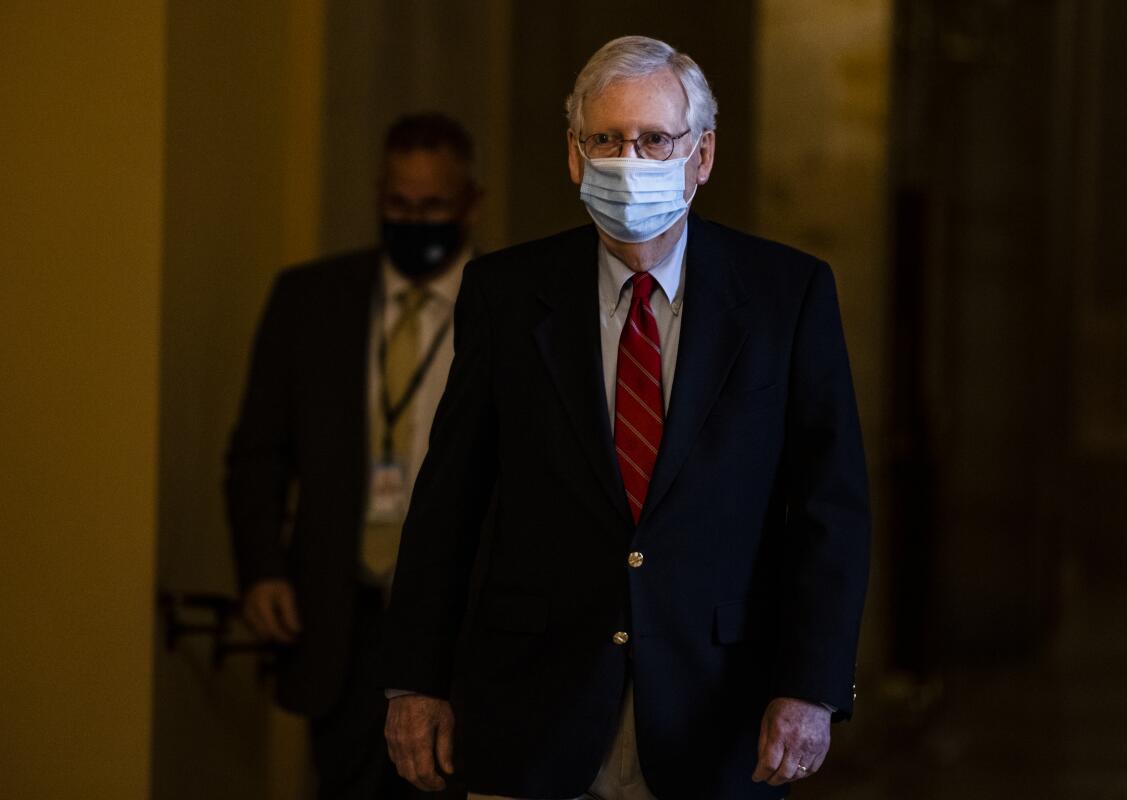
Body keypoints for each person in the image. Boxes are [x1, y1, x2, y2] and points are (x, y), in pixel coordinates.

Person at [382, 36, 870, 800]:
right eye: (605, 140)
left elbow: (829, 509)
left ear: (701, 155)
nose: (628, 161)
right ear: (575, 157)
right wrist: (414, 678)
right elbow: (450, 500)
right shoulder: (507, 295)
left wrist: (812, 686)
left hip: (718, 712)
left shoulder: (787, 296)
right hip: (534, 709)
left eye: (654, 140)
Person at [226, 112, 478, 800]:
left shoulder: (508, 303)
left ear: (469, 205)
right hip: (343, 617)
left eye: (434, 206)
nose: (415, 220)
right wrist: (263, 571)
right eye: (400, 204)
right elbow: (258, 451)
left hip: (460, 624)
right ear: (378, 196)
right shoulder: (311, 300)